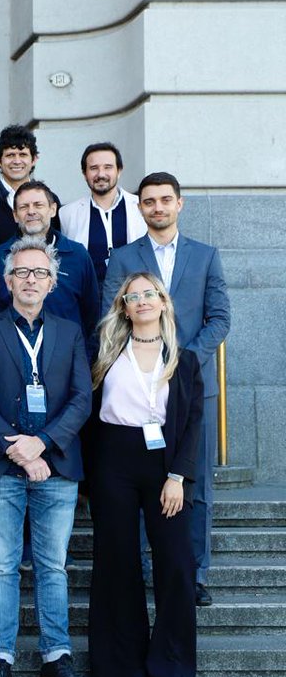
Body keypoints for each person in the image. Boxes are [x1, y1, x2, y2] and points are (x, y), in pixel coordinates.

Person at [0, 236, 93, 677]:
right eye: (22, 272)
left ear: (53, 282)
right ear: (7, 280)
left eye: (40, 273)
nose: (30, 280)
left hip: (56, 465)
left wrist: (41, 444)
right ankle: (0, 657)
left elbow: (82, 398)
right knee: (1, 567)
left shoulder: (70, 331)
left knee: (52, 567)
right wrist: (15, 449)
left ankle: (56, 657)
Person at [103, 171, 230, 607]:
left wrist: (182, 361)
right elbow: (111, 317)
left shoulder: (206, 255)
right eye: (149, 201)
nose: (157, 207)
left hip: (190, 389)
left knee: (194, 484)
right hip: (135, 394)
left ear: (180, 203)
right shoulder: (122, 257)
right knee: (142, 481)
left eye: (165, 200)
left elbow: (220, 318)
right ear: (139, 207)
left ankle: (193, 572)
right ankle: (143, 568)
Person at [87, 272, 203, 677]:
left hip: (165, 464)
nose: (141, 301)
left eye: (148, 294)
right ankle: (125, 666)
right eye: (131, 296)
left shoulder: (184, 359)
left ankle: (171, 667)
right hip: (114, 458)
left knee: (174, 562)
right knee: (117, 561)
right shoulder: (105, 352)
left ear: (163, 302)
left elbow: (193, 424)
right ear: (123, 307)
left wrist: (177, 476)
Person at [0, 181, 101, 342]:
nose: (31, 211)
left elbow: (91, 313)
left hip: (65, 356)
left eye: (38, 205)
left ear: (53, 209)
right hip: (11, 357)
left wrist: (84, 357)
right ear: (15, 215)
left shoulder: (77, 254)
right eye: (24, 207)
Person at [60, 142, 146, 287]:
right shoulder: (67, 213)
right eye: (94, 168)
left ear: (119, 170)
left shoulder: (141, 207)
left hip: (133, 294)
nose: (101, 174)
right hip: (88, 296)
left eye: (108, 167)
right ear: (84, 174)